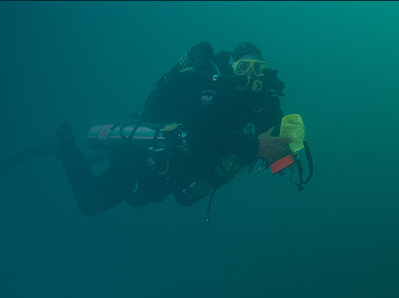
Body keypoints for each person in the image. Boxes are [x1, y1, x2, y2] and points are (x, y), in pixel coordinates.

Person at [47, 42, 293, 216]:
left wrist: (286, 152)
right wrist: (254, 145)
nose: (251, 77)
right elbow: (198, 137)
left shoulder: (260, 102)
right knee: (89, 203)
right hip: (150, 156)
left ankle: (110, 149)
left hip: (177, 173)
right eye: (243, 68)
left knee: (138, 197)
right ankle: (65, 143)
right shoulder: (209, 88)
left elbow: (277, 142)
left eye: (258, 69)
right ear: (231, 68)